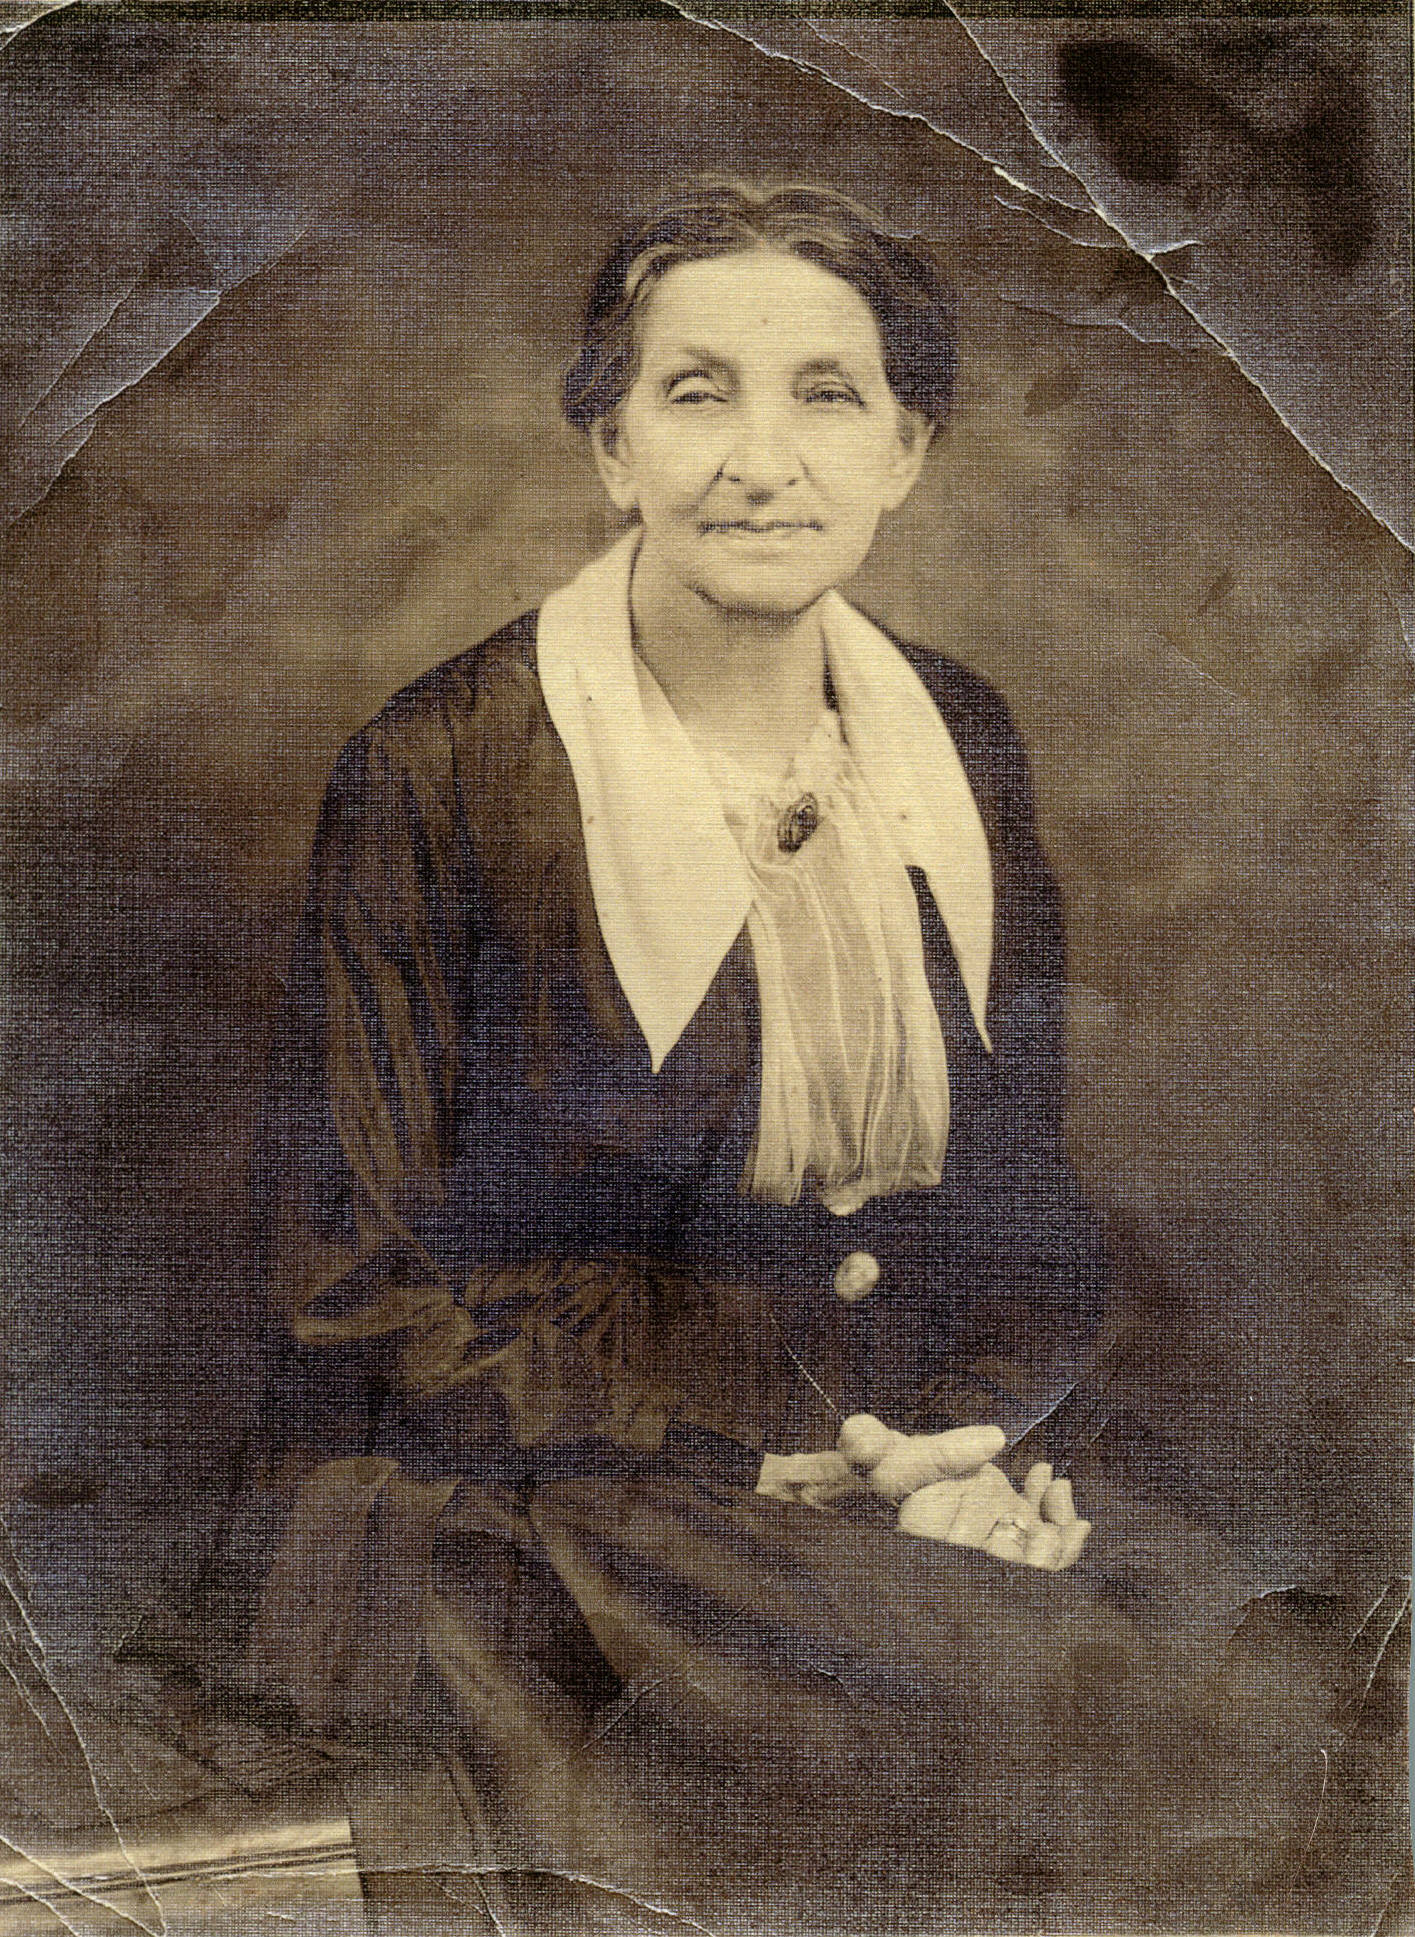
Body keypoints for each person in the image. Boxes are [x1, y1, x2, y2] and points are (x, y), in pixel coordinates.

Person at [247, 180, 1337, 1933]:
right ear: (611, 445)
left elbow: (1021, 1203)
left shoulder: (957, 736)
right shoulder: (437, 769)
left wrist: (965, 1446)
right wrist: (751, 1462)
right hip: (538, 1494)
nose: (764, 461)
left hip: (887, 1465)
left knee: (1273, 1684)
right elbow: (359, 1293)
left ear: (906, 448)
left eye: (828, 394)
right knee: (984, 1712)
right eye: (698, 393)